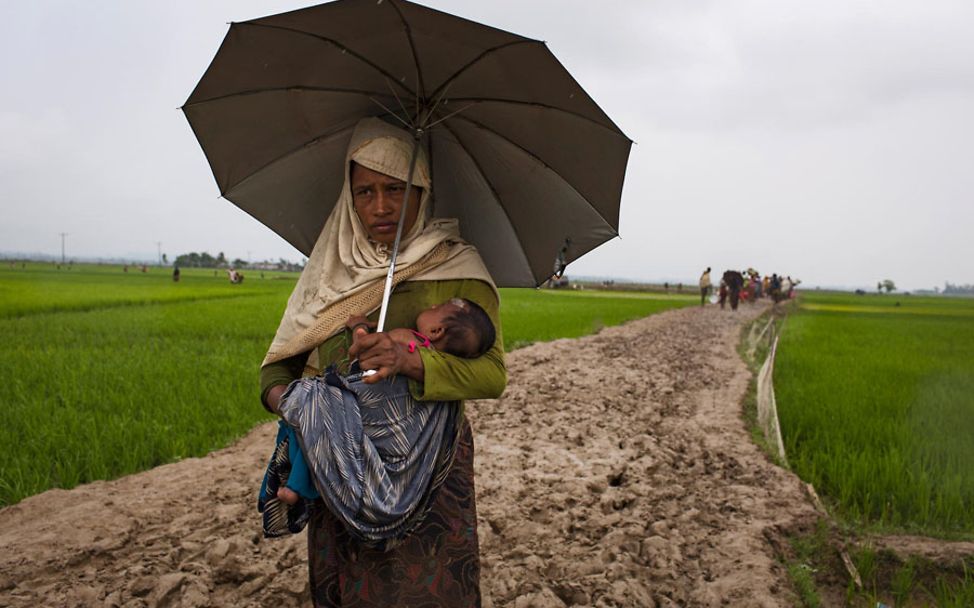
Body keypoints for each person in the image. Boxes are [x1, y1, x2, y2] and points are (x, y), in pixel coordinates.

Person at [259, 118, 505, 607]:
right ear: (348, 196)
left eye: (396, 189)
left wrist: (409, 362)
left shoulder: (456, 267)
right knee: (345, 584)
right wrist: (306, 409)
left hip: (429, 466)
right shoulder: (330, 269)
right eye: (365, 191)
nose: (381, 206)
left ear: (423, 190)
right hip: (337, 459)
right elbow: (276, 368)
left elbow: (492, 373)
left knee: (425, 588)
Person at [260, 297, 496, 541]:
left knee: (314, 424)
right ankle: (296, 489)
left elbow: (365, 351)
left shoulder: (406, 338)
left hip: (370, 408)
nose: (431, 305)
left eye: (437, 308)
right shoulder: (437, 360)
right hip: (404, 443)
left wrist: (358, 328)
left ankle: (295, 487)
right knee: (319, 428)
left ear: (436, 331)